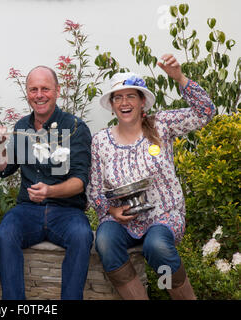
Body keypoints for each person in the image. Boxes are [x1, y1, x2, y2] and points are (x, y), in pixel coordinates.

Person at [87, 54, 215, 300]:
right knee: (105, 242)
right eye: (118, 97)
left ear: (142, 101)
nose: (125, 102)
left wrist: (179, 77)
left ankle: (179, 296)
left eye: (131, 96)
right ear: (112, 104)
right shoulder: (100, 141)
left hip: (164, 214)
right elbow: (94, 190)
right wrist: (111, 212)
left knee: (156, 247)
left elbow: (206, 112)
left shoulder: (161, 125)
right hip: (122, 220)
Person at [0, 66, 94, 300]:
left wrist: (50, 190)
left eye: (45, 89)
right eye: (33, 89)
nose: (39, 94)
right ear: (27, 93)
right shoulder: (22, 127)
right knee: (5, 234)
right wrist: (0, 144)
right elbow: (4, 170)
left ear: (57, 91)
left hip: (67, 211)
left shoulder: (76, 128)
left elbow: (80, 182)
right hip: (27, 210)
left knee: (82, 236)